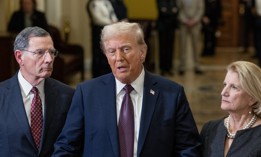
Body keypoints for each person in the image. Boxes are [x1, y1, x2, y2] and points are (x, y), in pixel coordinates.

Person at [52, 21, 202, 157]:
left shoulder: (171, 94)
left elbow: (189, 148)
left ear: (142, 52)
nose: (119, 57)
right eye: (111, 51)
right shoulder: (87, 93)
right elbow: (66, 147)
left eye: (125, 49)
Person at [0, 26, 75, 157]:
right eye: (40, 52)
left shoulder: (68, 95)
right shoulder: (2, 95)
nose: (49, 59)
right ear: (19, 57)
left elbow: (72, 143)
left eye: (52, 52)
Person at [200, 61, 261, 157]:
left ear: (252, 98)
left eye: (234, 87)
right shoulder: (210, 129)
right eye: (225, 85)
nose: (223, 92)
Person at [86, 0, 118, 78]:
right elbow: (97, 19)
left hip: (111, 31)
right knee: (99, 56)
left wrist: (116, 22)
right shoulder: (93, 3)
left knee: (109, 53)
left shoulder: (107, 2)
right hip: (99, 31)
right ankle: (98, 77)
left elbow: (112, 13)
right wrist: (111, 23)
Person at [177, 0, 204, 75]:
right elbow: (179, 9)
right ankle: (182, 66)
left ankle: (197, 65)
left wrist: (195, 20)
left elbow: (200, 9)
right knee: (182, 45)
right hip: (183, 24)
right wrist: (184, 20)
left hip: (196, 24)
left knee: (196, 45)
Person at [156, 0, 179, 76]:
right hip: (162, 27)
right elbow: (162, 11)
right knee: (162, 48)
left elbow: (176, 10)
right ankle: (162, 68)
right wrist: (171, 11)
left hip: (171, 27)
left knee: (170, 48)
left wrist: (169, 10)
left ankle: (169, 68)